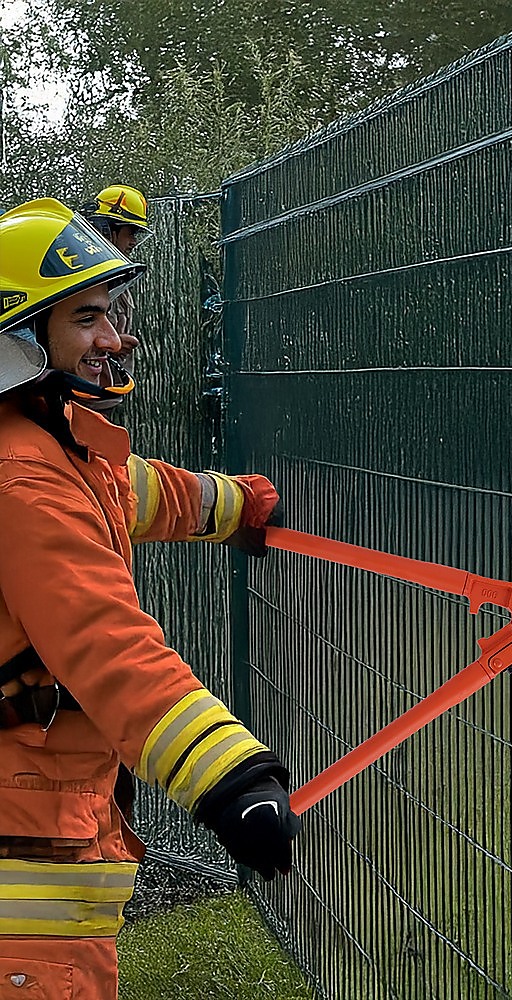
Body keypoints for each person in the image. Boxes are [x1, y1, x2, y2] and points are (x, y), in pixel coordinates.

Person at [0, 198, 300, 997]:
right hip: (22, 871)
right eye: (86, 318)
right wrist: (232, 780)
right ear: (19, 341)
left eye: (111, 313)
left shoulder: (49, 446)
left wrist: (237, 504)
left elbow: (136, 490)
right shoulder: (23, 480)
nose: (115, 338)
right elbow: (107, 644)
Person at [79, 184, 152, 408]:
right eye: (131, 232)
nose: (134, 242)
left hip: (104, 394)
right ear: (106, 230)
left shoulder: (116, 278)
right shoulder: (86, 278)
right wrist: (113, 344)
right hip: (84, 397)